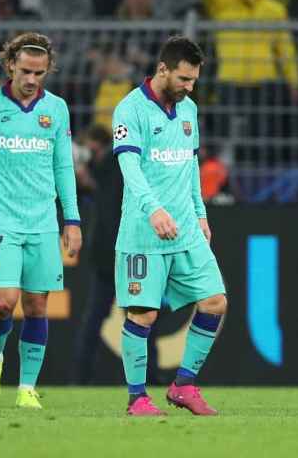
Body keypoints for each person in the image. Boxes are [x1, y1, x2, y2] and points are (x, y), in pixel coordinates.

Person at [0, 32, 82, 409]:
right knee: (3, 302)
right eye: (26, 71)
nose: (32, 80)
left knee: (36, 305)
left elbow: (64, 165)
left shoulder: (57, 109)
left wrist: (72, 219)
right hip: (2, 220)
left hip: (44, 222)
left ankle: (27, 387)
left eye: (39, 73)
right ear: (10, 64)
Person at [111, 36, 227, 416]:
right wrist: (153, 209)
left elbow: (190, 166)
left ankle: (184, 385)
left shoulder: (189, 109)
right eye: (183, 79)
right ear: (162, 69)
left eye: (193, 80)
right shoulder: (130, 110)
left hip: (187, 232)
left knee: (215, 301)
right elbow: (129, 168)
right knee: (143, 315)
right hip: (144, 231)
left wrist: (200, 213)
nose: (189, 87)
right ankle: (136, 398)